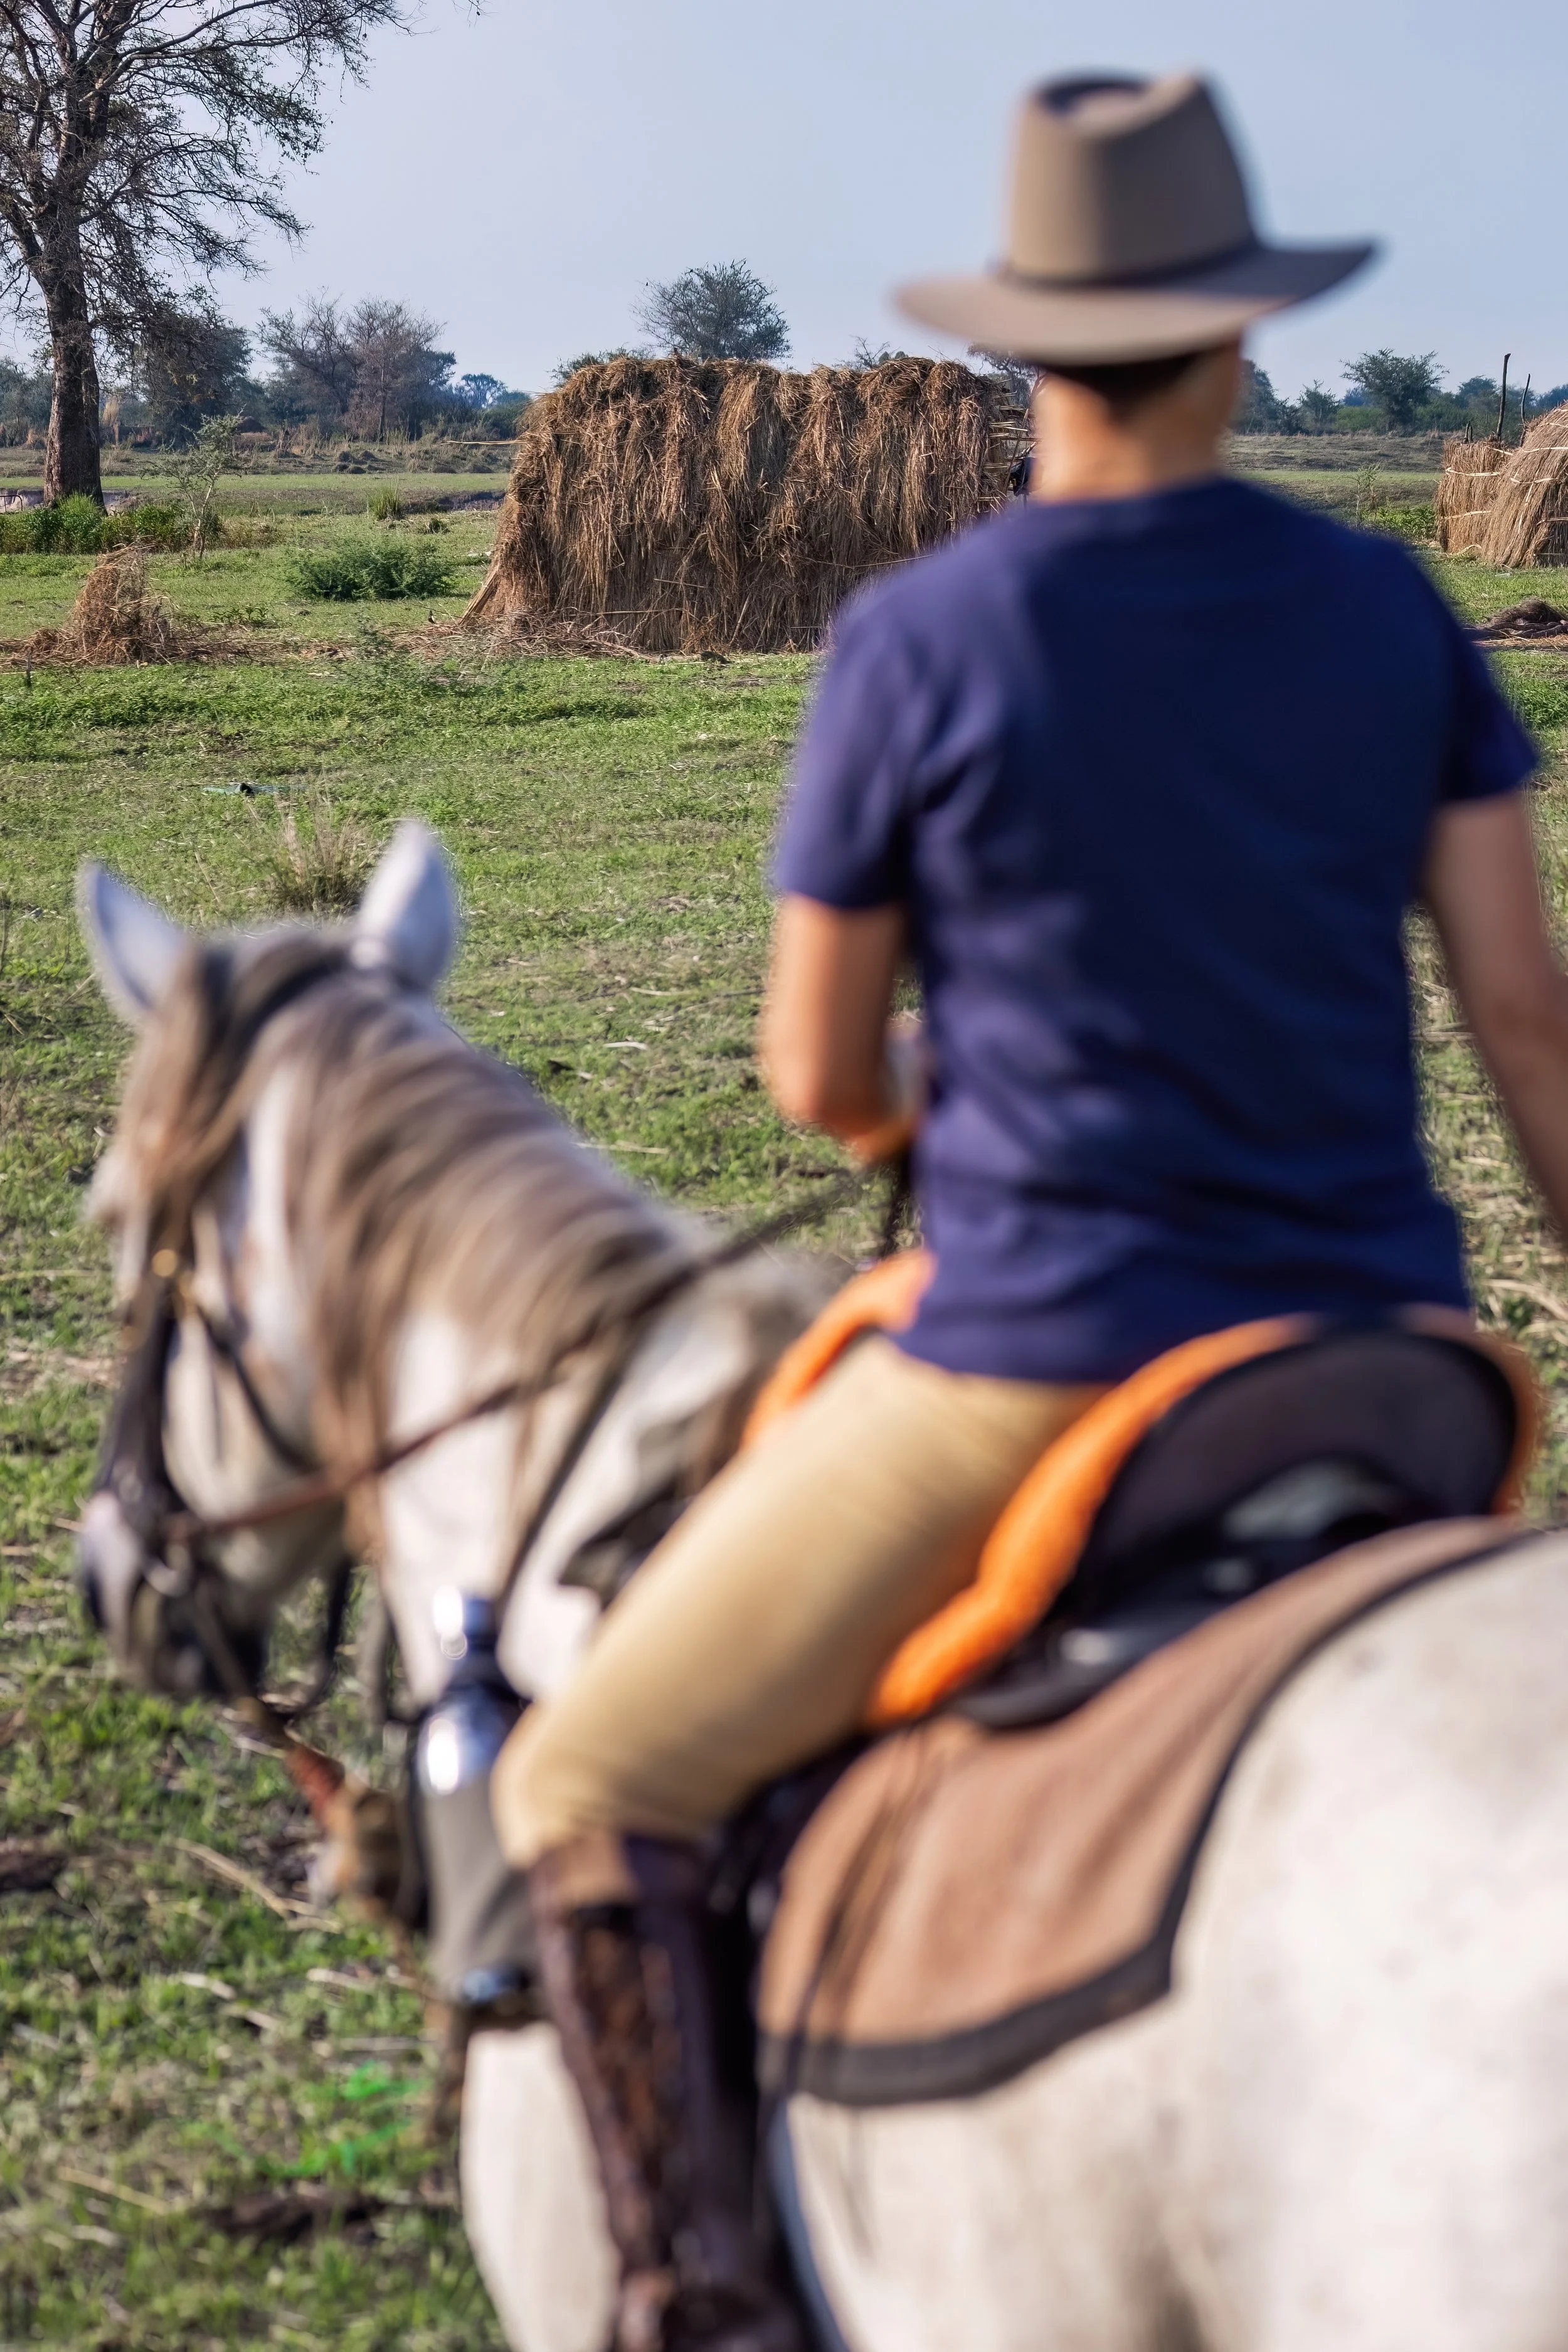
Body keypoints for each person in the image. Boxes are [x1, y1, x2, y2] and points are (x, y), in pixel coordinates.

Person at [493, 72, 1567, 2352]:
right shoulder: (1389, 610)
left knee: (586, 1765)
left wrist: (939, 1118)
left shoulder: (923, 636)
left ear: (1024, 348)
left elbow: (807, 1072)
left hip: (1036, 1363)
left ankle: (692, 2285)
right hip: (1390, 1360)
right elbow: (1523, 1026)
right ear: (1239, 343)